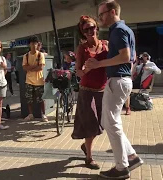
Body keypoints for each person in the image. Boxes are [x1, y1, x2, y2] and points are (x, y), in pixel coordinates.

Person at [86, 1, 143, 178]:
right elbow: (131, 56)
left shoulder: (118, 30)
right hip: (122, 80)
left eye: (102, 14)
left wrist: (98, 64)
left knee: (111, 123)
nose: (100, 17)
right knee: (111, 122)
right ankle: (131, 156)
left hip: (118, 80)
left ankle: (121, 167)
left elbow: (126, 56)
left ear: (112, 12)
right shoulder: (124, 30)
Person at [72, 15, 108, 170]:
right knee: (91, 124)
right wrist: (86, 69)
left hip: (103, 90)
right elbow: (78, 72)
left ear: (97, 28)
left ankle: (86, 146)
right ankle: (89, 158)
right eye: (86, 29)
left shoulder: (106, 45)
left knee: (101, 124)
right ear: (83, 32)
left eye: (92, 27)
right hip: (87, 91)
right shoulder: (82, 48)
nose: (89, 31)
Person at [23, 36, 48, 122]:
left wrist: (30, 68)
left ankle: (43, 114)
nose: (33, 45)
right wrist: (34, 66)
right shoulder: (26, 56)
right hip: (29, 80)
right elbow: (24, 68)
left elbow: (40, 67)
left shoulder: (40, 55)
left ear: (37, 45)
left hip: (39, 80)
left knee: (41, 98)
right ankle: (30, 115)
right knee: (29, 98)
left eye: (35, 43)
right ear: (29, 44)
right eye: (32, 43)